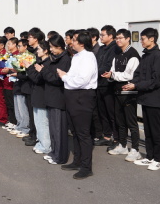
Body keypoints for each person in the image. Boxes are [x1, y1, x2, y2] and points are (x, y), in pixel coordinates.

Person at [124, 28, 160, 169]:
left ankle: (158, 159)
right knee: (148, 130)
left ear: (152, 39)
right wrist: (133, 83)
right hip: (145, 97)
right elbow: (138, 74)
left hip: (155, 98)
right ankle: (149, 157)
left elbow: (157, 80)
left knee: (156, 130)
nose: (141, 41)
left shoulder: (158, 56)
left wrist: (136, 85)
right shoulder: (145, 55)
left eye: (143, 39)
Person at [58, 30, 98, 179]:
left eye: (74, 40)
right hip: (72, 95)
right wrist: (67, 77)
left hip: (82, 96)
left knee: (83, 133)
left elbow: (82, 80)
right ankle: (77, 160)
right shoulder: (77, 56)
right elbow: (74, 76)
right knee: (75, 131)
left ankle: (86, 167)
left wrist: (64, 77)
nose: (71, 42)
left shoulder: (88, 57)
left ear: (82, 43)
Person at [104, 29, 141, 160]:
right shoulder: (118, 53)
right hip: (117, 91)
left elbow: (129, 75)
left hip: (129, 92)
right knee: (120, 120)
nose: (118, 40)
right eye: (117, 38)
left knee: (131, 122)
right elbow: (113, 71)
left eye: (120, 38)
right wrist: (110, 75)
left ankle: (135, 149)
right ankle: (123, 145)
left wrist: (113, 75)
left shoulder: (133, 54)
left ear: (128, 39)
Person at [42, 35, 72, 165]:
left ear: (59, 46)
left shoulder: (65, 59)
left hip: (59, 98)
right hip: (52, 97)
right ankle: (54, 152)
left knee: (59, 129)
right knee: (53, 129)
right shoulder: (55, 58)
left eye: (52, 47)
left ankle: (60, 156)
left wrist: (43, 71)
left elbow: (57, 79)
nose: (51, 50)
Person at [25, 40, 52, 155]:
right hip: (37, 94)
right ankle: (41, 142)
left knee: (42, 122)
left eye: (39, 49)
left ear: (46, 51)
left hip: (42, 95)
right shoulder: (40, 61)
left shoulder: (48, 63)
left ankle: (45, 145)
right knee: (38, 121)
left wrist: (29, 68)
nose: (37, 51)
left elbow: (37, 79)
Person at [94, 25, 118, 147]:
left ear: (111, 36)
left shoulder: (114, 49)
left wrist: (94, 73)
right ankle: (106, 136)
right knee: (102, 112)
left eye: (103, 35)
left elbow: (107, 66)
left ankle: (116, 138)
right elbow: (96, 64)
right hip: (100, 84)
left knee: (111, 113)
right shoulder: (102, 49)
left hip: (109, 85)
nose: (101, 37)